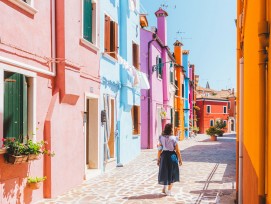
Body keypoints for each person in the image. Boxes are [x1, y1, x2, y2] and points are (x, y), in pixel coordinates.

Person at [157, 123, 182, 196]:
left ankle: (164, 188)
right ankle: (169, 191)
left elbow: (159, 150)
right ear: (171, 129)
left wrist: (158, 159)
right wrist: (180, 159)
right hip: (172, 156)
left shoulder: (161, 138)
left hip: (164, 156)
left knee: (165, 172)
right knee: (172, 173)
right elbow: (177, 150)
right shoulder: (174, 138)